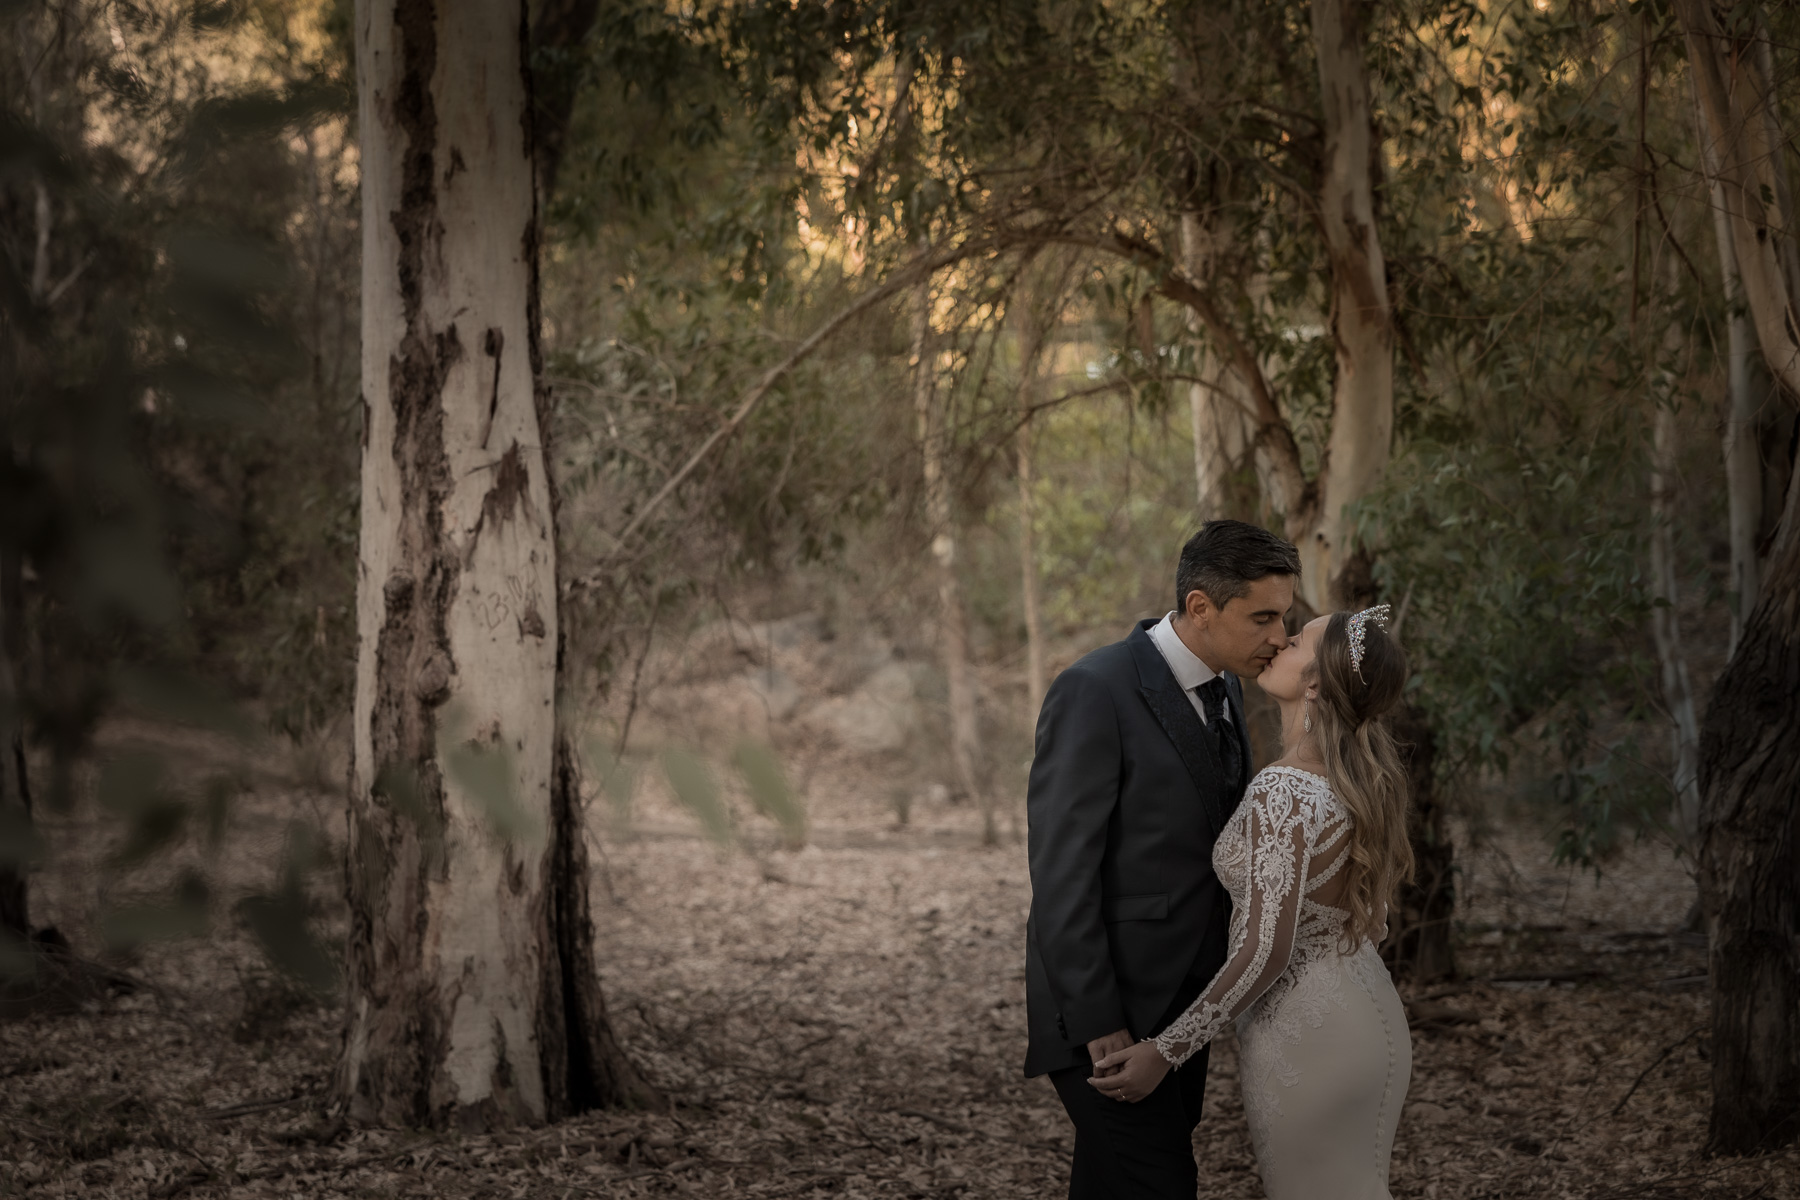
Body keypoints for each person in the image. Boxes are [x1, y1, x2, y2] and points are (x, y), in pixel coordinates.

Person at [1089, 603, 1415, 1200]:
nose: (1280, 642)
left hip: (1306, 1031)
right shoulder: (1355, 778)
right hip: (1368, 1014)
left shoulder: (1285, 788)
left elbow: (1268, 947)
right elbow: (1370, 920)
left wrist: (1166, 1051)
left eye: (1296, 643)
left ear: (1313, 684)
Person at [1023, 519, 1300, 1200]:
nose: (1279, 637)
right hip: (1108, 1014)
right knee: (1159, 1183)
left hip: (1182, 1011)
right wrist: (1098, 1024)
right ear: (1201, 607)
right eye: (1262, 617)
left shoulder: (1227, 686)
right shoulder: (1095, 689)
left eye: (1285, 618)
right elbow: (1061, 877)